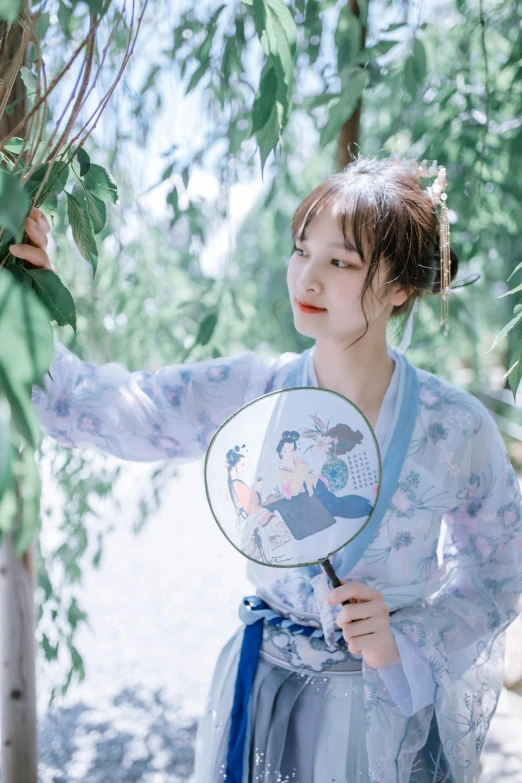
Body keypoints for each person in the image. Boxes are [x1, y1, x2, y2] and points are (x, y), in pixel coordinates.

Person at [13, 154, 522, 783]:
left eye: (340, 262)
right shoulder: (256, 388)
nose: (306, 278)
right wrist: (26, 300)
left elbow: (500, 571)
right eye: (301, 250)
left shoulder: (455, 425)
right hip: (262, 691)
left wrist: (403, 641)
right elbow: (118, 411)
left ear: (399, 288)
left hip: (377, 709)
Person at [225, 446, 292, 563]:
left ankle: (267, 555)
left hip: (257, 516)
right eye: (242, 464)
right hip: (257, 518)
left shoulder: (235, 484)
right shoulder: (236, 484)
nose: (244, 467)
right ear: (234, 465)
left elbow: (253, 502)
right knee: (283, 534)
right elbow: (250, 506)